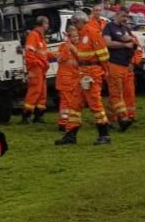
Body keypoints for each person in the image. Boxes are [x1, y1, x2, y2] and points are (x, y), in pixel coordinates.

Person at [55, 11, 112, 145]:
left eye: (75, 22)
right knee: (75, 104)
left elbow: (104, 55)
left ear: (81, 21)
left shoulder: (92, 33)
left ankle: (104, 134)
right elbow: (80, 56)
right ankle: (70, 135)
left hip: (92, 72)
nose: (74, 25)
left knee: (95, 103)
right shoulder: (81, 36)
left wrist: (105, 72)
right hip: (82, 72)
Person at [102, 8, 136, 131]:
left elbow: (132, 41)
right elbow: (107, 43)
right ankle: (123, 118)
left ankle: (109, 119)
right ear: (116, 15)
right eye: (123, 16)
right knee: (116, 93)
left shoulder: (125, 28)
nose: (125, 18)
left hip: (125, 65)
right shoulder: (109, 27)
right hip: (114, 64)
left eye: (126, 16)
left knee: (116, 94)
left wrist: (130, 42)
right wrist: (124, 44)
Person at [22, 16, 54, 124]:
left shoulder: (40, 37)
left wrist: (55, 54)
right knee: (34, 91)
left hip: (41, 68)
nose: (48, 26)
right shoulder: (33, 35)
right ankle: (26, 115)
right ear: (42, 24)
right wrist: (38, 63)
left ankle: (38, 115)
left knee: (42, 93)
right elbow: (29, 54)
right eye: (47, 23)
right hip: (36, 68)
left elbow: (43, 53)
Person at [55, 25, 80, 131]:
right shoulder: (63, 46)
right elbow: (60, 59)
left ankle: (68, 121)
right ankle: (63, 123)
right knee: (66, 102)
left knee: (72, 102)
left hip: (74, 79)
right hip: (65, 79)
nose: (76, 38)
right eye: (73, 36)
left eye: (77, 36)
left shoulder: (78, 47)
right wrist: (67, 47)